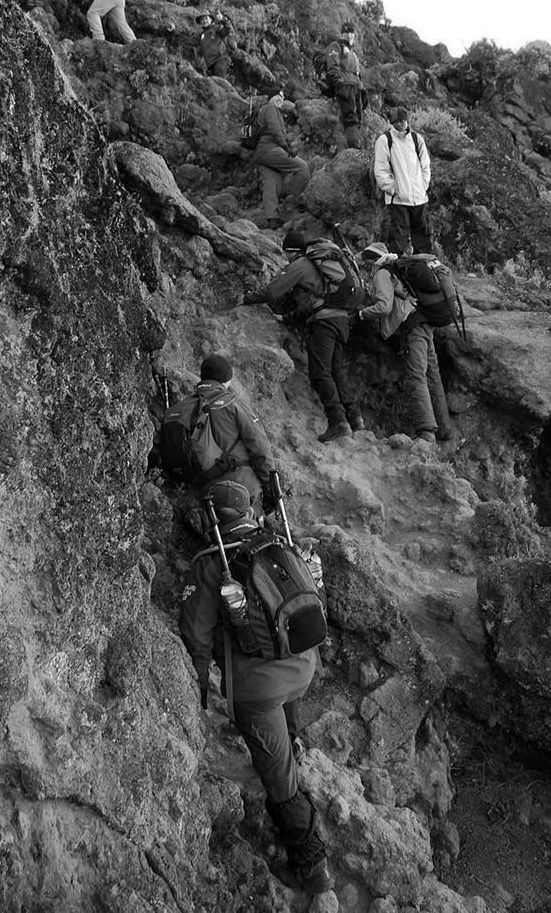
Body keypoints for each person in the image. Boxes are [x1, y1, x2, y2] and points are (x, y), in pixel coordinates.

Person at [178, 480, 333, 895]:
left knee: (280, 779)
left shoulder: (214, 564)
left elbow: (195, 637)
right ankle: (293, 743)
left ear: (213, 518)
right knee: (283, 711)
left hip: (256, 691)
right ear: (248, 510)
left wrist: (196, 696)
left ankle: (312, 866)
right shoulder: (277, 541)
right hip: (303, 667)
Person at [243, 232, 364, 443]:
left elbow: (272, 292)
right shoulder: (321, 265)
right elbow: (313, 299)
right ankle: (355, 419)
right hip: (342, 320)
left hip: (324, 322)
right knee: (337, 370)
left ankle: (338, 422)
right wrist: (287, 318)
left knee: (320, 372)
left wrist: (247, 298)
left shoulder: (299, 264)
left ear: (290, 251)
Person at [358, 242, 451, 444]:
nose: (366, 270)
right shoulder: (399, 270)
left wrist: (362, 314)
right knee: (433, 374)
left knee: (417, 376)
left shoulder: (383, 273)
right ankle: (445, 429)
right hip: (426, 322)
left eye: (366, 264)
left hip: (413, 327)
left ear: (373, 260)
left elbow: (384, 306)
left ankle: (427, 432)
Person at [192, 355, 277, 513]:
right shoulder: (233, 404)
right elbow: (259, 446)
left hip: (203, 491)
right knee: (251, 534)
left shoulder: (188, 407)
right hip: (241, 488)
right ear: (226, 381)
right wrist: (271, 487)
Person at [372, 108, 432, 254]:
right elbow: (380, 169)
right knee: (398, 235)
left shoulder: (417, 139)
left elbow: (425, 165)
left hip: (419, 197)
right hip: (398, 199)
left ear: (407, 120)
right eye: (395, 122)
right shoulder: (385, 140)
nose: (399, 124)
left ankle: (424, 264)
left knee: (422, 233)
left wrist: (423, 186)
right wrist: (393, 189)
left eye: (401, 121)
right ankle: (395, 267)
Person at [252, 87, 310, 228]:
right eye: (279, 95)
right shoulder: (270, 108)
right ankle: (296, 202)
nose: (281, 99)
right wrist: (286, 148)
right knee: (302, 167)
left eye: (283, 97)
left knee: (271, 183)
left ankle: (273, 219)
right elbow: (275, 129)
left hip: (260, 153)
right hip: (269, 148)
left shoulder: (263, 111)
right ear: (271, 97)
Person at [325, 21, 366, 149]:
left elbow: (357, 73)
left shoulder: (353, 53)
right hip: (344, 85)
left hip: (356, 88)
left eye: (351, 33)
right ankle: (354, 150)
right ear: (341, 34)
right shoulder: (336, 46)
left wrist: (363, 90)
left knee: (358, 118)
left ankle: (344, 145)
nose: (349, 35)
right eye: (346, 32)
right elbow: (333, 65)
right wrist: (339, 83)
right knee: (351, 118)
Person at [196, 11, 237, 78]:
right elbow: (186, 40)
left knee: (221, 83)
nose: (204, 21)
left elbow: (228, 30)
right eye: (202, 19)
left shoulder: (216, 28)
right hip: (211, 65)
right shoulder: (200, 35)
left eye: (206, 18)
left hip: (221, 60)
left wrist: (222, 20)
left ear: (211, 20)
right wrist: (174, 31)